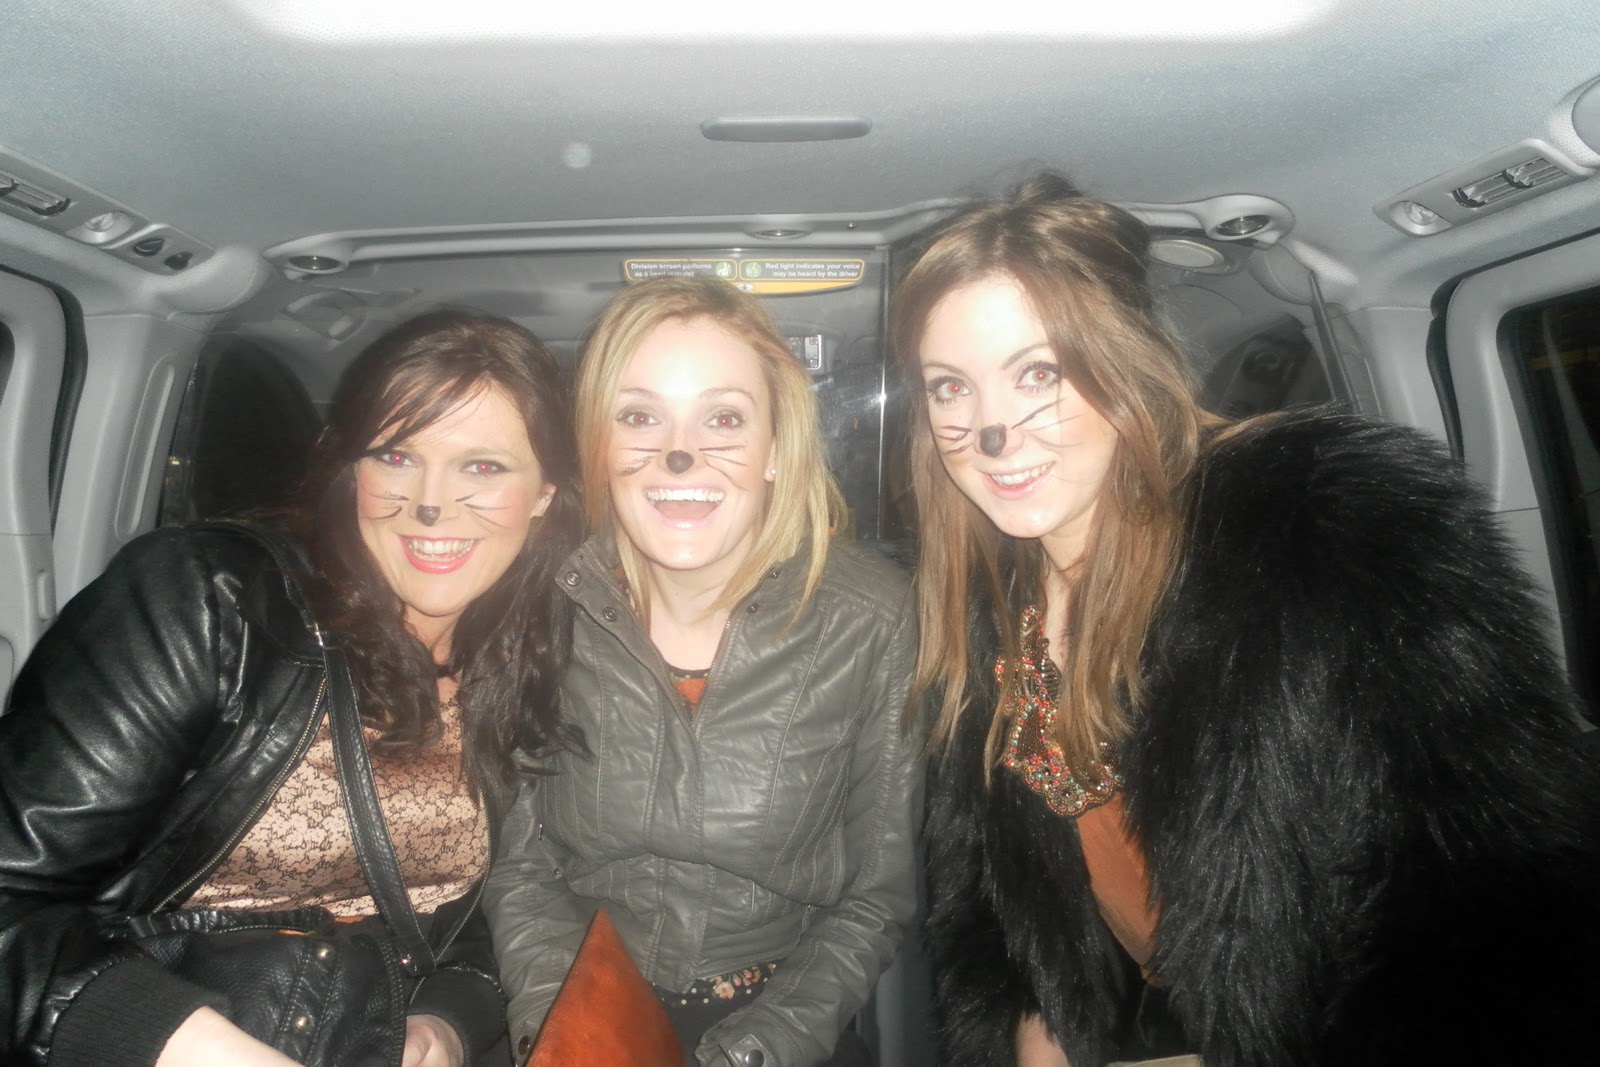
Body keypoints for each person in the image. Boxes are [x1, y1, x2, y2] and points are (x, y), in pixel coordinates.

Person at [894, 173, 1600, 1066]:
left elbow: (1494, 911)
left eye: (1039, 372)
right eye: (949, 388)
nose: (991, 432)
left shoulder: (1331, 532)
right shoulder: (986, 602)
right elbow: (993, 888)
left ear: (1126, 358)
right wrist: (1033, 1023)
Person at [0, 310, 584, 1067]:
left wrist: (446, 1020)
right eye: (396, 455)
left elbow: (484, 905)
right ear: (352, 470)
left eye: (483, 467)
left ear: (544, 493)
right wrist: (182, 1041)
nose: (430, 504)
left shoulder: (530, 663)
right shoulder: (211, 599)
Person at [486, 276, 922, 1067]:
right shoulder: (540, 604)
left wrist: (755, 1050)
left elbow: (875, 896)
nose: (677, 453)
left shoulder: (874, 618)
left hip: (782, 1024)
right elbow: (520, 866)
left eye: (723, 418)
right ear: (599, 446)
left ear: (776, 450)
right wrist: (571, 1035)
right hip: (587, 1002)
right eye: (639, 416)